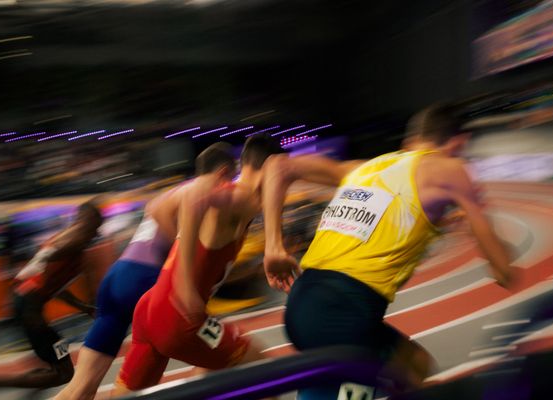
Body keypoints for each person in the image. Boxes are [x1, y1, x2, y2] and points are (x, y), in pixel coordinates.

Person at [261, 103, 515, 398]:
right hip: (343, 316)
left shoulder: (363, 168)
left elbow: (276, 166)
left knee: (414, 365)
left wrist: (273, 248)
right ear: (458, 142)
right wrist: (496, 250)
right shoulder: (450, 168)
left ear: (411, 141)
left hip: (305, 301)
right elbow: (503, 272)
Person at [54, 142, 238, 400]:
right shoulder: (200, 190)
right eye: (232, 177)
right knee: (212, 344)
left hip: (118, 277)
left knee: (82, 385)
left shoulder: (174, 191)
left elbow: (155, 212)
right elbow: (168, 226)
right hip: (144, 280)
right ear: (223, 171)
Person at [114, 135, 281, 395]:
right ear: (272, 168)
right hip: (179, 319)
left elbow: (156, 206)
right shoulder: (242, 198)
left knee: (133, 393)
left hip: (150, 309)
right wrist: (184, 284)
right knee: (266, 372)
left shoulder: (230, 198)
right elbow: (195, 196)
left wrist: (182, 251)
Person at [0, 198, 104, 400]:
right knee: (63, 372)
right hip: (29, 310)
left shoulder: (70, 240)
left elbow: (54, 285)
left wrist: (83, 307)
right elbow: (48, 263)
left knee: (61, 365)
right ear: (87, 221)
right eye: (96, 224)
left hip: (28, 308)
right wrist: (40, 273)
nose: (97, 232)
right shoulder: (74, 240)